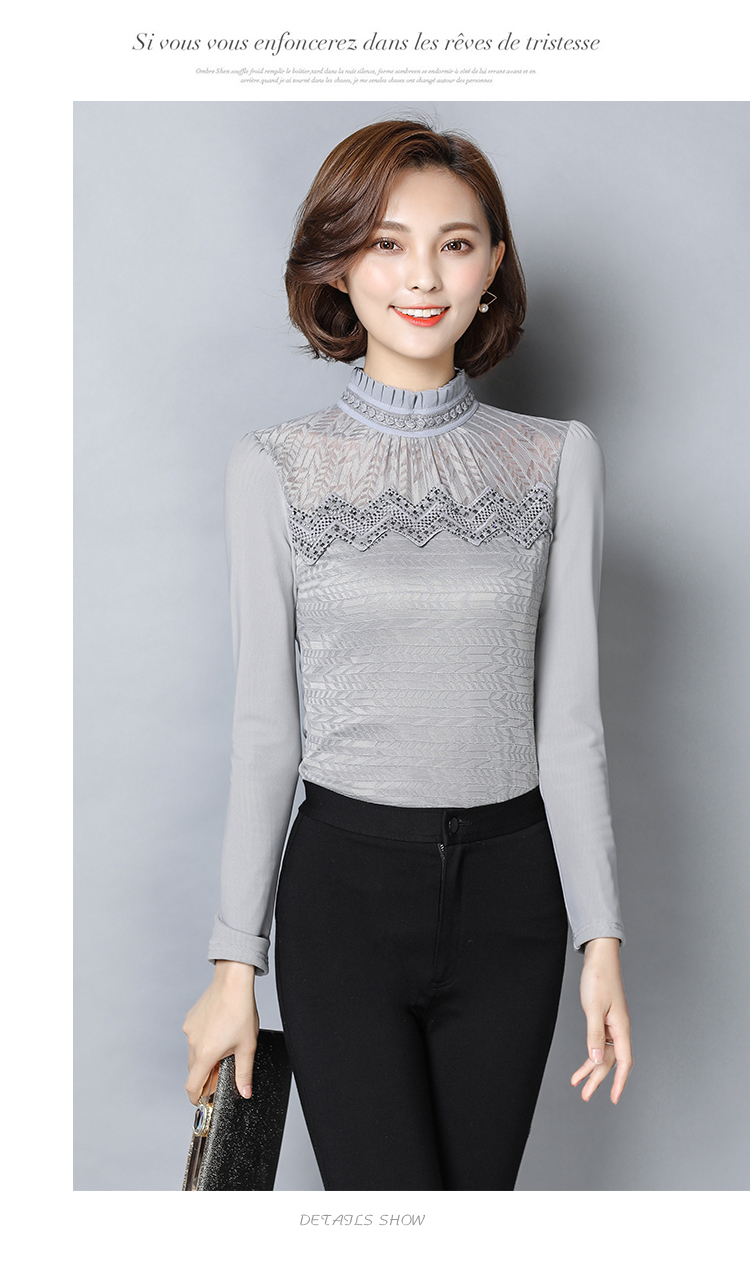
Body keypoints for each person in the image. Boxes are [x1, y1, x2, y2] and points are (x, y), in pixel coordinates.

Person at [182, 118, 633, 1191]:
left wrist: (602, 941)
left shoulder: (558, 459)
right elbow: (266, 730)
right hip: (344, 896)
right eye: (387, 243)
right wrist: (234, 961)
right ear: (340, 264)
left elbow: (569, 727)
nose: (423, 275)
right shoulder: (275, 467)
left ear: (494, 265)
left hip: (516, 902)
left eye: (455, 244)